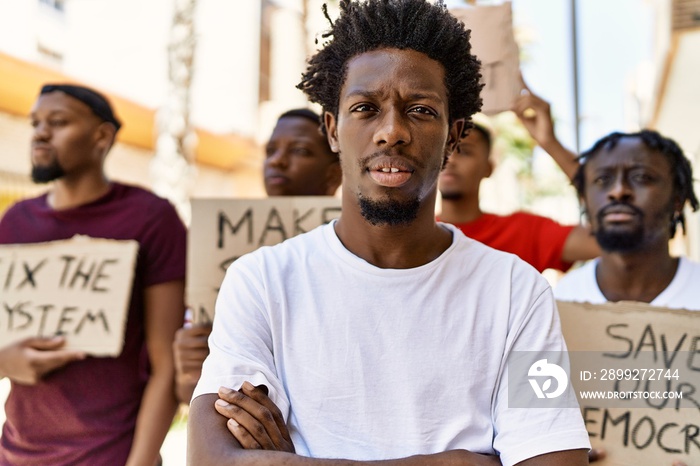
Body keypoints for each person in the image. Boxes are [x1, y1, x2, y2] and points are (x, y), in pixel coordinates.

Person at [187, 1, 590, 465]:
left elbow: (555, 461)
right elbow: (213, 459)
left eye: (420, 110)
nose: (392, 131)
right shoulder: (261, 280)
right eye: (365, 108)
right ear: (333, 130)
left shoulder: (517, 290)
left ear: (453, 136)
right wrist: (452, 462)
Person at [0, 84, 186, 466]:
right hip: (15, 454)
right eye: (36, 122)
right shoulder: (15, 221)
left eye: (58, 122)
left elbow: (164, 363)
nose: (40, 132)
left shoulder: (151, 217)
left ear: (102, 136)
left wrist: (139, 461)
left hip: (111, 455)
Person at [173, 108, 341, 404]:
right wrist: (191, 366)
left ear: (335, 172)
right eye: (271, 150)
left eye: (300, 151)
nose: (277, 160)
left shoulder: (358, 250)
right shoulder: (218, 242)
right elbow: (190, 394)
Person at [553, 129, 699, 466]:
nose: (618, 190)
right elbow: (528, 415)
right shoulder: (549, 308)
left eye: (642, 177)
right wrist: (554, 453)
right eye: (603, 180)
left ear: (677, 199)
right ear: (585, 200)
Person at [438, 92, 600, 273]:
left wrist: (550, 143)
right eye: (443, 150)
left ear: (488, 169)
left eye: (465, 151)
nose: (450, 160)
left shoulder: (525, 232)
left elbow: (607, 240)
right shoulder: (407, 234)